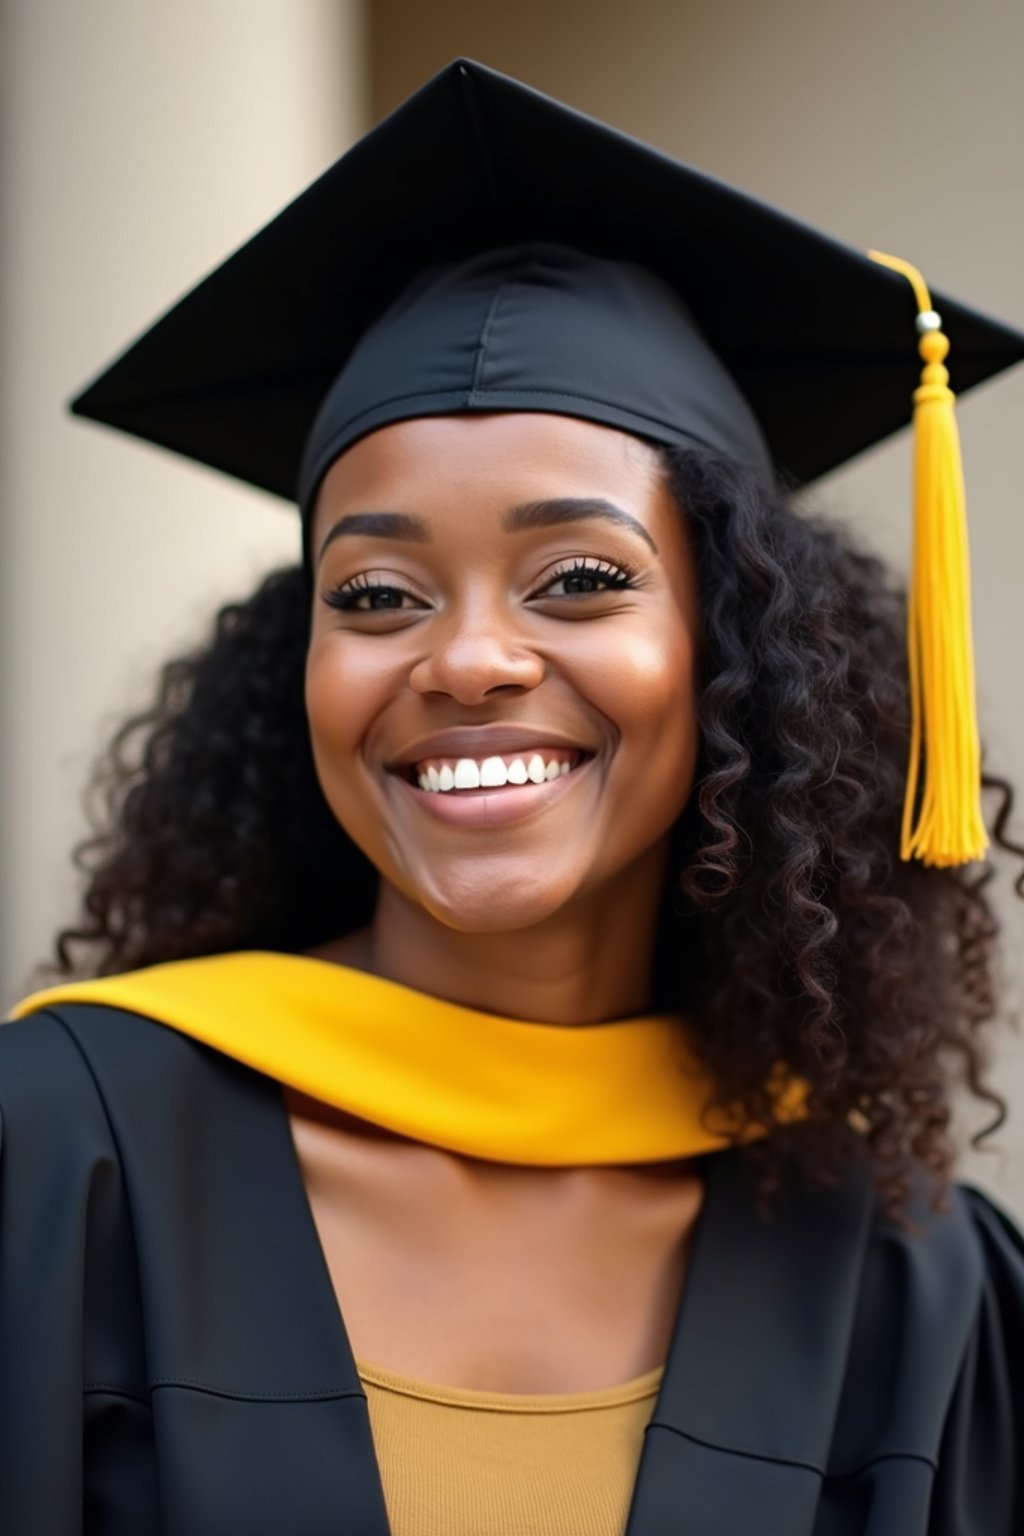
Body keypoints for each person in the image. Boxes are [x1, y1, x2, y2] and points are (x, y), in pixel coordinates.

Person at [2, 56, 1024, 1536]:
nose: (469, 656)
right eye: (378, 593)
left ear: (732, 654)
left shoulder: (909, 1279)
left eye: (582, 580)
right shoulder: (59, 1158)